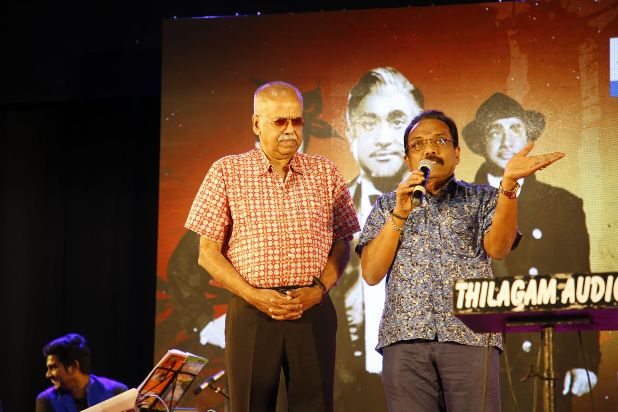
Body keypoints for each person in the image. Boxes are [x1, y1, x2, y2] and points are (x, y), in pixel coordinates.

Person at [356, 110, 565, 411]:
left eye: (440, 141)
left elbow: (499, 248)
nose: (429, 149)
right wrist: (400, 213)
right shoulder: (387, 205)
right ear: (408, 160)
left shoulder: (483, 198)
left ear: (456, 153)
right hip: (404, 341)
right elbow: (372, 273)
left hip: (471, 337)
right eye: (418, 144)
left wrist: (508, 185)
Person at [184, 81, 360, 412]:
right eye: (280, 121)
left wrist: (320, 289)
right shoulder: (227, 172)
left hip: (311, 309)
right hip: (251, 311)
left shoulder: (325, 172)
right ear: (256, 124)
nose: (291, 130)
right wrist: (253, 295)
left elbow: (343, 241)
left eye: (297, 121)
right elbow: (207, 254)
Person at [462, 92, 600, 411]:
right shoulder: (460, 204)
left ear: (529, 138)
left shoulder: (563, 205)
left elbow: (579, 283)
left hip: (547, 356)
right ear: (481, 142)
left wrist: (584, 360)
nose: (507, 140)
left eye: (515, 128)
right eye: (495, 130)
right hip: (478, 360)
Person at [331, 67, 423, 409]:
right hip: (348, 390)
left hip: (428, 383)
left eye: (397, 121)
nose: (383, 138)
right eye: (369, 123)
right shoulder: (327, 212)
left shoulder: (455, 209)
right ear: (350, 132)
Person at [36, 333, 128, 412]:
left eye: (53, 367)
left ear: (74, 367)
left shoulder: (117, 392)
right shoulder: (46, 400)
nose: (47, 375)